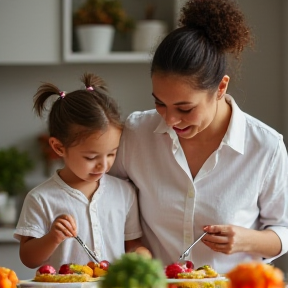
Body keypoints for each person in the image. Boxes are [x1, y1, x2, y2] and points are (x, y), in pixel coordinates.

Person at [109, 0, 288, 273]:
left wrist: (245, 240)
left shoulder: (265, 146)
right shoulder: (137, 134)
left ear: (220, 87)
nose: (169, 119)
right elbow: (106, 200)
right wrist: (134, 247)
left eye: (185, 108)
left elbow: (283, 229)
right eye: (160, 103)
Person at [14, 73, 151, 270]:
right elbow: (28, 259)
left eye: (112, 154)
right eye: (91, 157)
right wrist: (53, 238)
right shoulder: (41, 198)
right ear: (59, 147)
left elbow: (132, 245)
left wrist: (141, 255)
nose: (103, 165)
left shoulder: (124, 193)